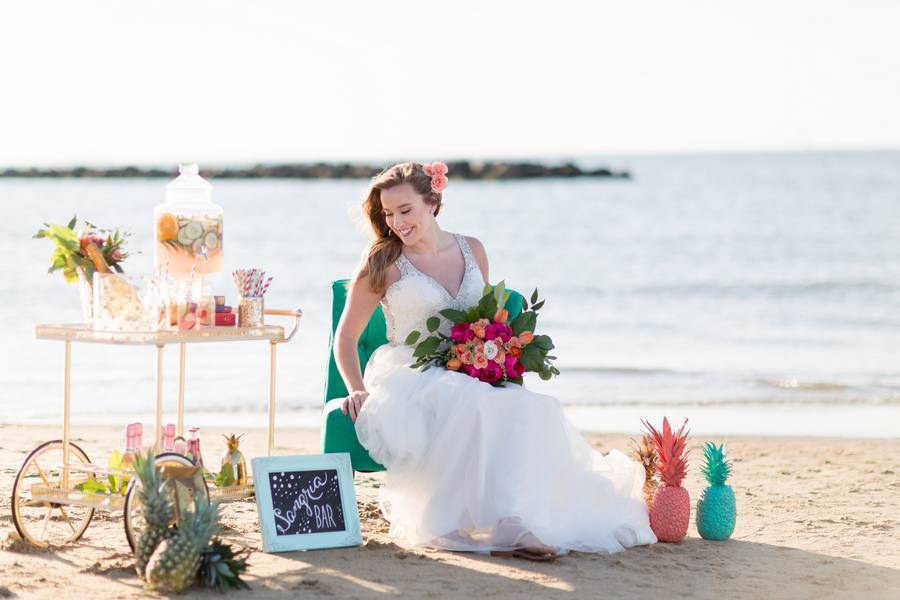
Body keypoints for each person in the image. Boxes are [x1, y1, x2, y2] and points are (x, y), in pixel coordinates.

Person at [334, 161, 656, 560]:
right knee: (467, 399)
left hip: (464, 369)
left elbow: (483, 321)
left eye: (405, 210)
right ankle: (455, 523)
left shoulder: (473, 250)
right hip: (409, 372)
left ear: (432, 202)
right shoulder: (382, 262)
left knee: (530, 406)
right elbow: (345, 338)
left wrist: (495, 356)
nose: (397, 223)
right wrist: (356, 389)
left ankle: (512, 520)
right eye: (388, 213)